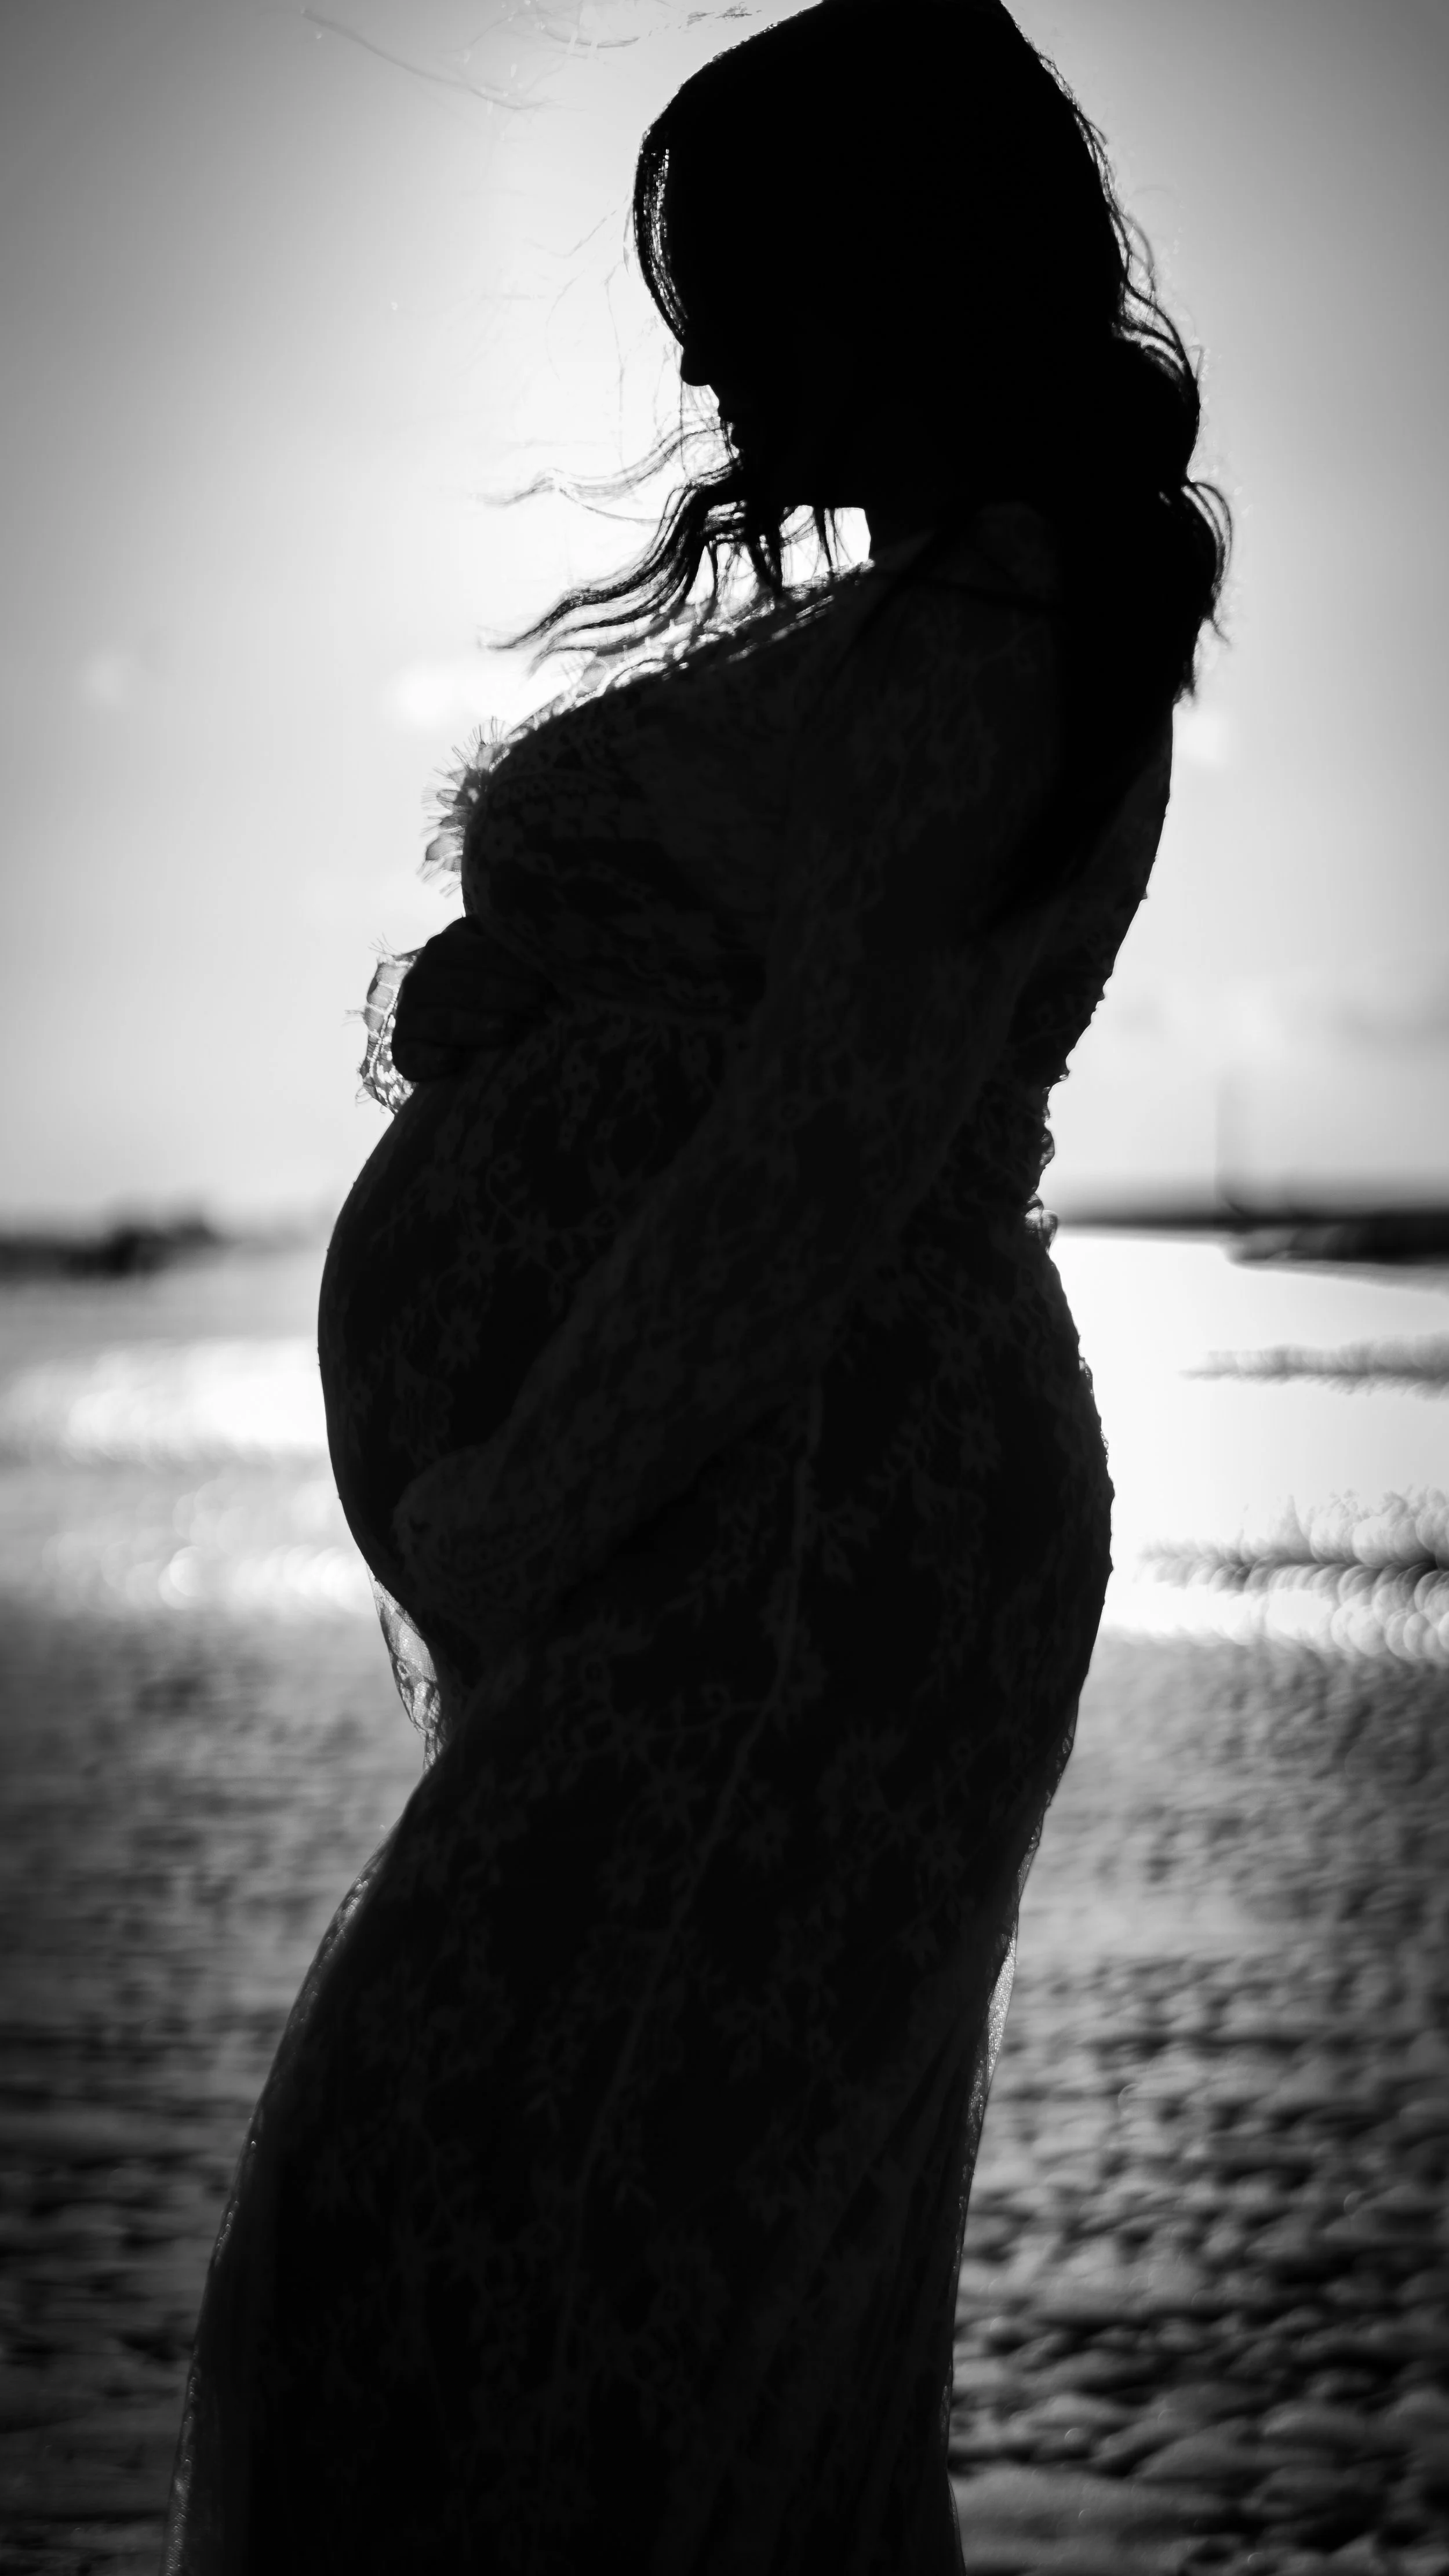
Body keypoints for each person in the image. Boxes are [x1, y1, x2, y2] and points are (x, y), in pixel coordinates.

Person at [164, 2, 1229, 2566]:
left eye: (737, 283)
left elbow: (816, 1148)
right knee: (621, 2303)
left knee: (480, 2264)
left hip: (798, 1531)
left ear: (898, 261)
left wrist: (509, 1509)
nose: (695, 363)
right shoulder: (939, 613)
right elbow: (763, 1026)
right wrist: (521, 1002)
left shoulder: (1003, 619)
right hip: (745, 1519)